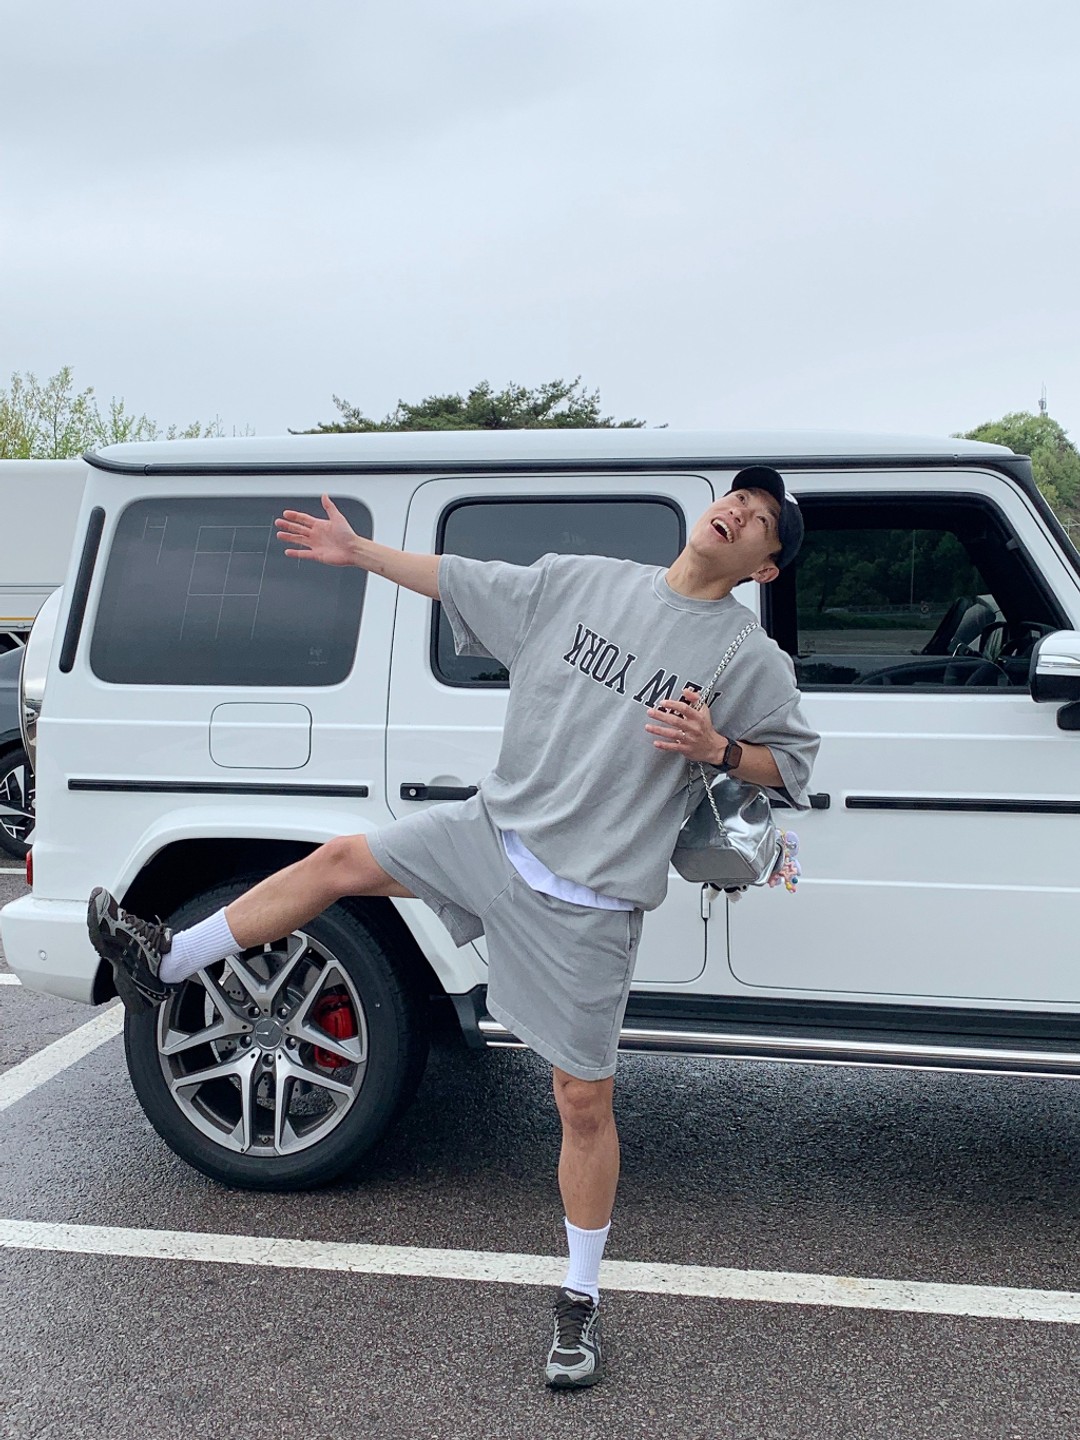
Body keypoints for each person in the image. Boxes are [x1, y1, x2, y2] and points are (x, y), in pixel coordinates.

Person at [88, 465, 819, 1389]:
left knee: (581, 1102)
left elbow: (792, 766)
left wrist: (718, 747)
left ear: (764, 567)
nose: (739, 512)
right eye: (738, 500)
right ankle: (166, 959)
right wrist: (358, 551)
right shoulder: (584, 581)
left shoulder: (749, 659)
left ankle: (580, 1298)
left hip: (590, 898)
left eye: (760, 520)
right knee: (340, 859)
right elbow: (460, 577)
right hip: (493, 832)